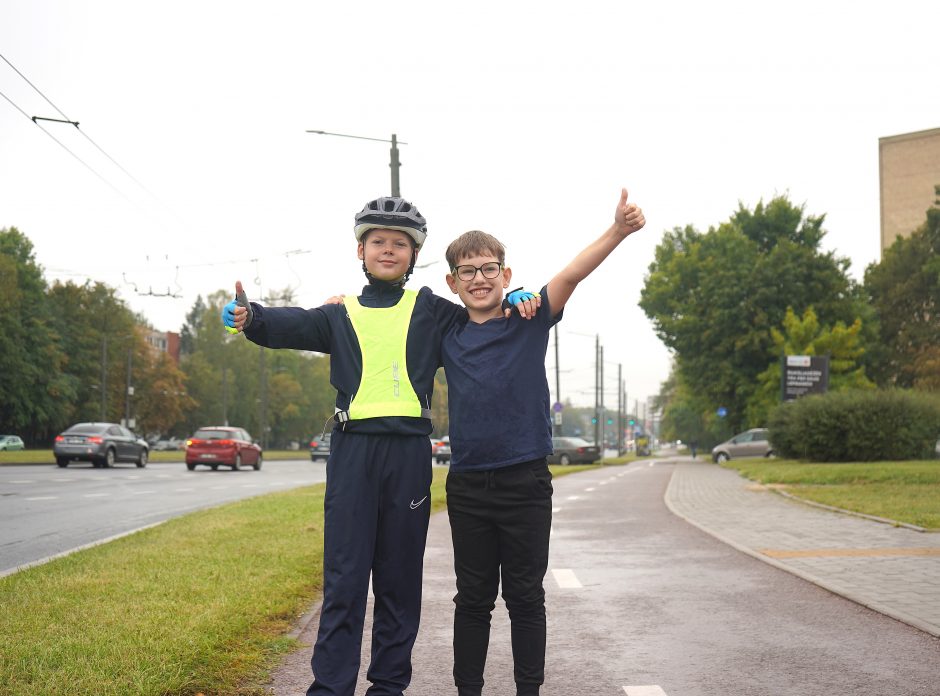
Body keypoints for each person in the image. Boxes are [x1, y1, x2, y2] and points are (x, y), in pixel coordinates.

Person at [221, 196, 538, 696]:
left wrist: (516, 294)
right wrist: (251, 317)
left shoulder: (433, 311)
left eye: (400, 244)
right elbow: (292, 323)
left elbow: (483, 306)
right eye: (378, 242)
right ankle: (330, 687)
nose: (388, 250)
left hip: (410, 455)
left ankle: (388, 686)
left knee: (397, 582)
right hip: (352, 455)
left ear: (414, 256)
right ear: (360, 251)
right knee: (345, 580)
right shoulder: (338, 314)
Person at [440, 188, 645, 696]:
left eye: (489, 269)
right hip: (466, 486)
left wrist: (617, 231)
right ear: (453, 282)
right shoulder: (444, 331)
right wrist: (339, 304)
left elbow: (572, 274)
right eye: (468, 271)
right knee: (472, 600)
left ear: (506, 275)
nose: (480, 278)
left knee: (526, 598)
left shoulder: (528, 320)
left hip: (524, 482)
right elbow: (390, 308)